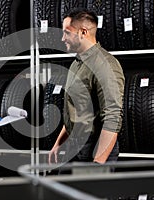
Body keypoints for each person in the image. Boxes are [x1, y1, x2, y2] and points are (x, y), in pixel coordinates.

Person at [48, 8, 125, 167]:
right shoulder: (76, 64)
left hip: (94, 148)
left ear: (83, 32)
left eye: (67, 33)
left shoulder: (105, 65)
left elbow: (112, 117)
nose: (63, 38)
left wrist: (98, 163)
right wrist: (58, 143)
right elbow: (75, 110)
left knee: (88, 192)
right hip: (75, 146)